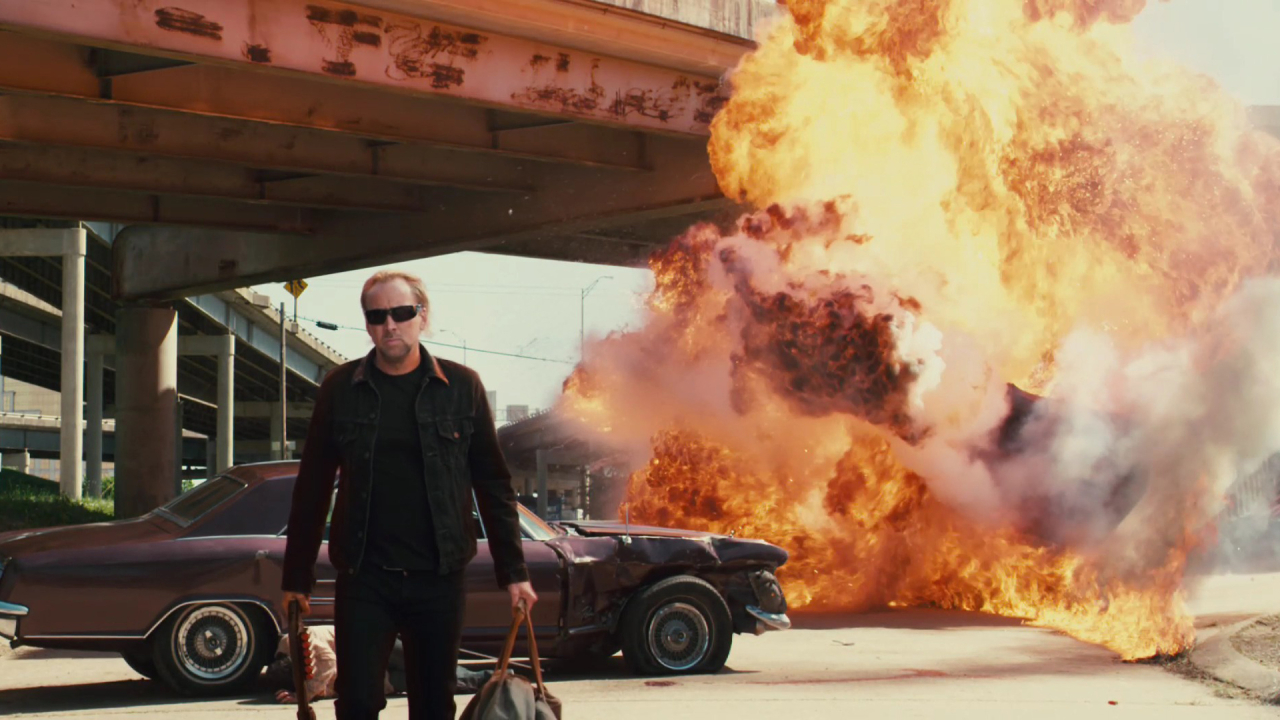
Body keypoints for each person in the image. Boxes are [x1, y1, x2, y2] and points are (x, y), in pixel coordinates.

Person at [282, 270, 537, 720]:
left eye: (401, 313)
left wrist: (514, 573)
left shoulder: (462, 387)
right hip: (365, 575)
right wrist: (296, 578)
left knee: (433, 705)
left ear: (422, 316)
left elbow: (493, 486)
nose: (390, 325)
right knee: (357, 702)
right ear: (367, 324)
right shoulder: (340, 390)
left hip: (439, 576)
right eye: (377, 316)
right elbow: (313, 487)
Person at [263, 627, 495, 705]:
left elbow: (330, 664)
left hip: (376, 644)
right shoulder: (301, 671)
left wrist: (304, 695)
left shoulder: (302, 641)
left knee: (428, 665)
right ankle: (488, 679)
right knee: (429, 682)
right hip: (376, 677)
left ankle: (491, 677)